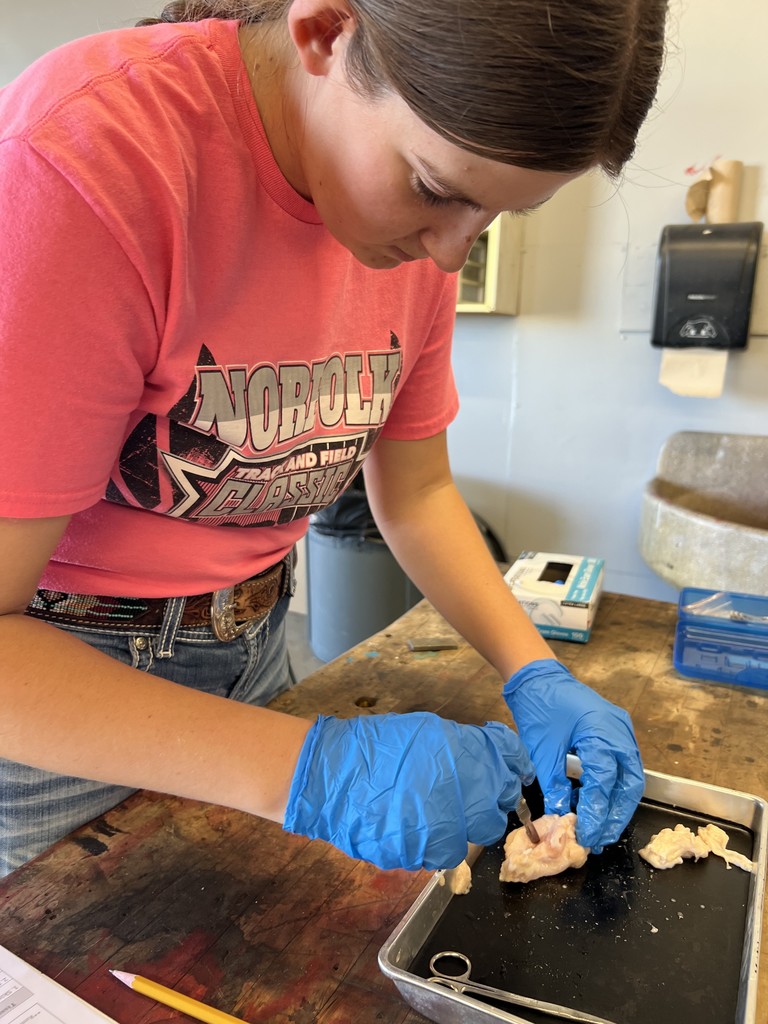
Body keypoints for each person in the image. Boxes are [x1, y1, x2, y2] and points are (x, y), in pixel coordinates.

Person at [0, 0, 668, 878]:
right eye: (434, 188)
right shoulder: (83, 163)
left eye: (501, 215)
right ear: (325, 32)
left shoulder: (417, 229)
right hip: (56, 698)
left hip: (257, 642)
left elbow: (419, 492)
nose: (450, 255)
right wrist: (311, 773)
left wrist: (532, 671)